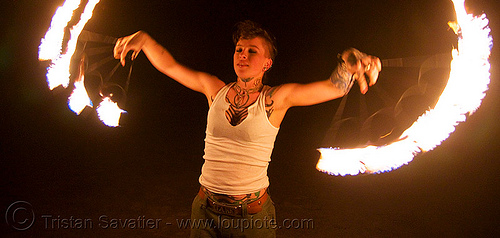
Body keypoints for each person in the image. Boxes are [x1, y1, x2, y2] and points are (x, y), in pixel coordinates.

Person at [113, 20, 381, 237]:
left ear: (267, 64)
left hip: (252, 219)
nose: (243, 55)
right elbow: (170, 66)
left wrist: (348, 64)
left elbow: (333, 87)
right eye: (239, 49)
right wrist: (146, 40)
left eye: (252, 51)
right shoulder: (214, 90)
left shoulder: (276, 99)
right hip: (204, 211)